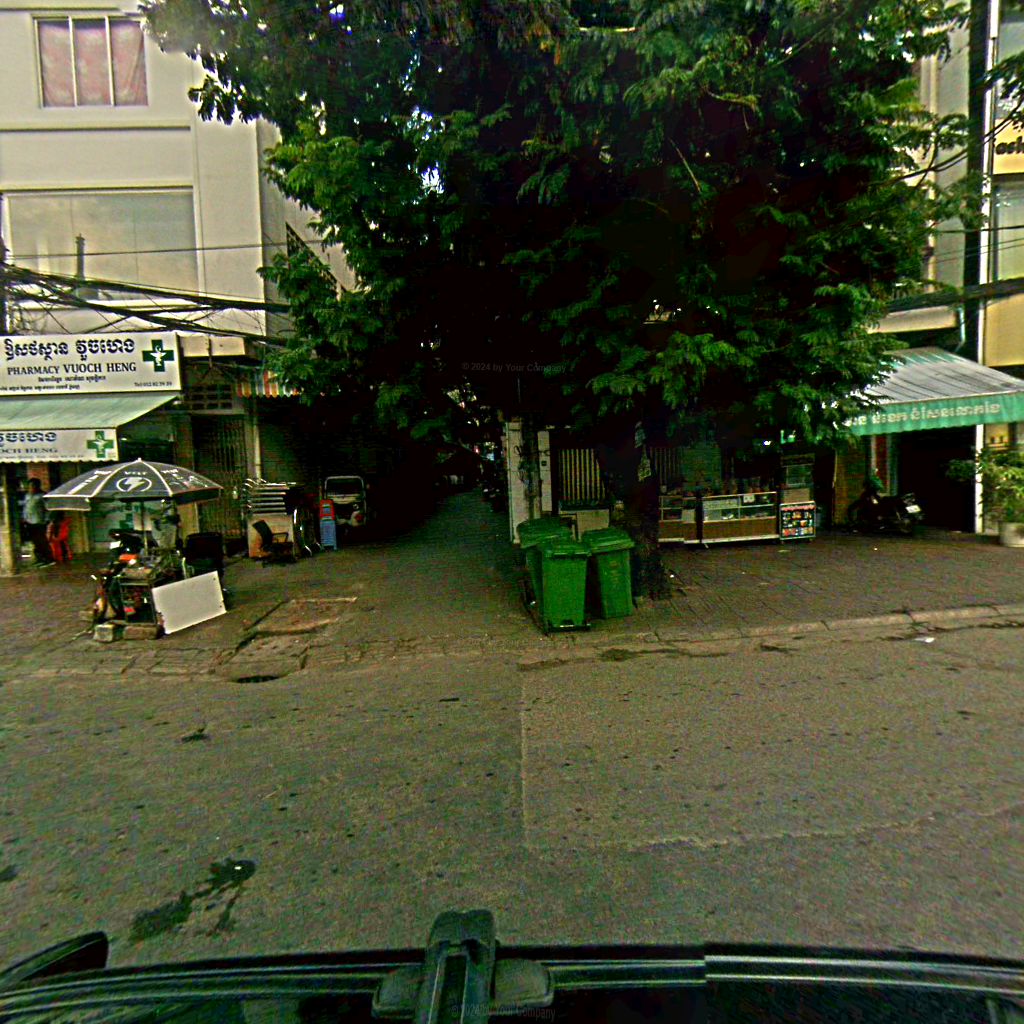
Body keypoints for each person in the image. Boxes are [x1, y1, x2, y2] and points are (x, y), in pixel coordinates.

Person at [22, 479, 54, 566]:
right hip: (29, 521)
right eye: (30, 486)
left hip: (39, 521)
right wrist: (24, 518)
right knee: (35, 542)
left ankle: (48, 559)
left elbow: (49, 509)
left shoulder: (42, 496)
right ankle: (39, 558)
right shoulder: (27, 496)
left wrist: (47, 520)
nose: (31, 488)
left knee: (42, 541)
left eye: (33, 486)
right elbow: (25, 507)